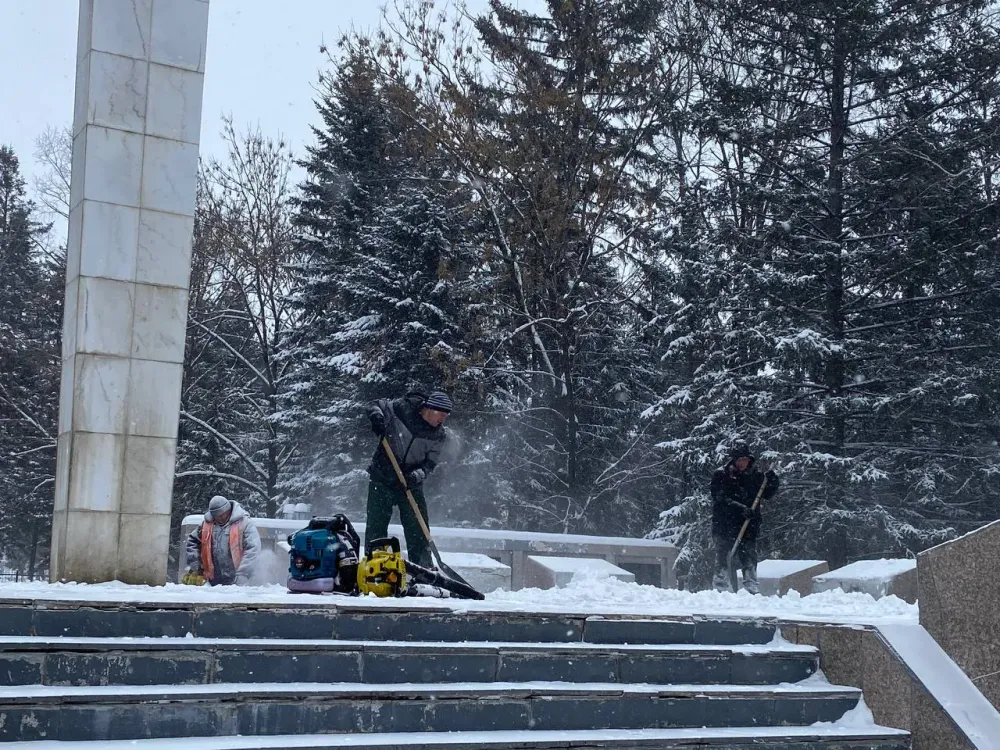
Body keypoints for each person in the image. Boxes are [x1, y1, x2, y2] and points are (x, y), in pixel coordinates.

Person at [365, 389, 452, 568]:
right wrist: (376, 417)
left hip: (410, 484)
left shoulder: (438, 435)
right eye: (440, 415)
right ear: (429, 409)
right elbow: (376, 404)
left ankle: (423, 569)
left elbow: (430, 464)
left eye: (445, 416)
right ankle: (374, 567)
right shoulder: (402, 409)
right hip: (382, 477)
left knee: (418, 528)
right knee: (376, 526)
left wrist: (417, 475)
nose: (442, 420)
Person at [710, 442, 779, 593]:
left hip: (748, 526)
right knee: (723, 556)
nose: (743, 463)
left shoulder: (755, 477)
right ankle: (721, 588)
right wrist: (741, 509)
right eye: (740, 460)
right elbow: (720, 498)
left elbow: (766, 494)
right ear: (734, 460)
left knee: (748, 556)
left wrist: (772, 481)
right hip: (725, 525)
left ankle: (751, 587)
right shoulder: (722, 475)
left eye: (745, 460)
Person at [184, 495, 261, 586]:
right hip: (212, 580)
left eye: (222, 515)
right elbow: (192, 542)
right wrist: (195, 565)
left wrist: (244, 572)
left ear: (228, 510)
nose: (219, 518)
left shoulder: (244, 524)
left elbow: (253, 548)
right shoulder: (206, 525)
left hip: (238, 580)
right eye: (216, 516)